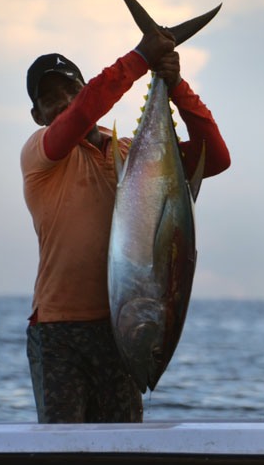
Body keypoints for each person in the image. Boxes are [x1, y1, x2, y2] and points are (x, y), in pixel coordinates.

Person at [21, 27, 230, 424]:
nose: (64, 103)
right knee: (63, 453)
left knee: (120, 448)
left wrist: (175, 84)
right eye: (50, 99)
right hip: (59, 333)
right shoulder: (41, 154)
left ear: (84, 89)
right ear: (36, 115)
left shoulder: (133, 155)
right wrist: (140, 57)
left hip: (121, 331)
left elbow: (215, 158)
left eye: (71, 91)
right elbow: (82, 113)